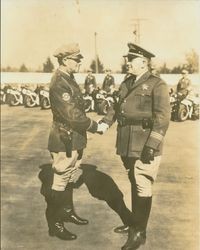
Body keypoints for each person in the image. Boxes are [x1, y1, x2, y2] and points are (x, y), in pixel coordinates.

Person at [99, 43, 171, 250]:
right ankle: (134, 223)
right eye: (127, 60)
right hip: (127, 143)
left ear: (143, 63)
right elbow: (116, 106)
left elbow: (163, 118)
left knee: (142, 184)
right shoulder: (127, 82)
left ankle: (139, 233)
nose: (127, 63)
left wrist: (152, 144)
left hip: (145, 144)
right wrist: (105, 122)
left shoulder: (157, 84)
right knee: (134, 180)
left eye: (130, 60)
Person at [45, 42, 105, 241]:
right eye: (76, 59)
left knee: (69, 176)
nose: (80, 62)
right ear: (64, 60)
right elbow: (72, 115)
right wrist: (95, 126)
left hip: (73, 138)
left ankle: (67, 212)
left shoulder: (67, 78)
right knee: (60, 180)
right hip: (64, 139)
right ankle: (55, 223)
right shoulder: (60, 82)